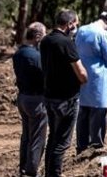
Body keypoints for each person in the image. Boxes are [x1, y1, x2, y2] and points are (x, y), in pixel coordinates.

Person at [40, 10, 88, 177]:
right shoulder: (66, 43)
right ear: (69, 24)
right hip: (66, 98)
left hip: (49, 96)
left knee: (53, 137)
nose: (76, 27)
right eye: (76, 23)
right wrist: (84, 79)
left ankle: (49, 172)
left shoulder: (45, 40)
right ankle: (54, 174)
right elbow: (81, 72)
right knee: (62, 141)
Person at [75, 10, 107, 153]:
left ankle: (81, 145)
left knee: (83, 110)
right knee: (99, 111)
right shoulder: (105, 35)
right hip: (99, 77)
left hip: (81, 74)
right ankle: (96, 145)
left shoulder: (82, 30)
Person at [13, 22, 48, 177]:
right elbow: (44, 76)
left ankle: (23, 167)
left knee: (26, 135)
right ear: (38, 36)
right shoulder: (36, 56)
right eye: (45, 33)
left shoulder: (19, 53)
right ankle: (32, 170)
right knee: (37, 138)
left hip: (23, 97)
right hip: (36, 99)